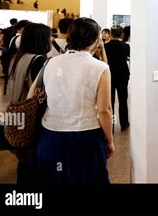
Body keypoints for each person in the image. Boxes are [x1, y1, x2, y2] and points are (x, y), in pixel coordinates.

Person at [28, 18, 114, 185]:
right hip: (86, 136)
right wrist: (110, 140)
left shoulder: (50, 62)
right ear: (96, 40)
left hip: (49, 135)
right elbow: (105, 110)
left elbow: (31, 96)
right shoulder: (100, 68)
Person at [6, 23, 50, 184]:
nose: (50, 39)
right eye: (48, 36)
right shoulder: (38, 60)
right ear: (40, 39)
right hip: (32, 115)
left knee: (23, 160)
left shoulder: (18, 57)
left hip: (18, 111)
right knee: (33, 160)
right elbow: (41, 92)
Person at [105, 25, 130, 131]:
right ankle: (124, 123)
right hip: (123, 75)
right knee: (123, 100)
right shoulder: (125, 46)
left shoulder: (106, 46)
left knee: (110, 102)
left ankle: (111, 125)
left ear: (111, 34)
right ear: (121, 34)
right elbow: (127, 57)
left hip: (109, 75)